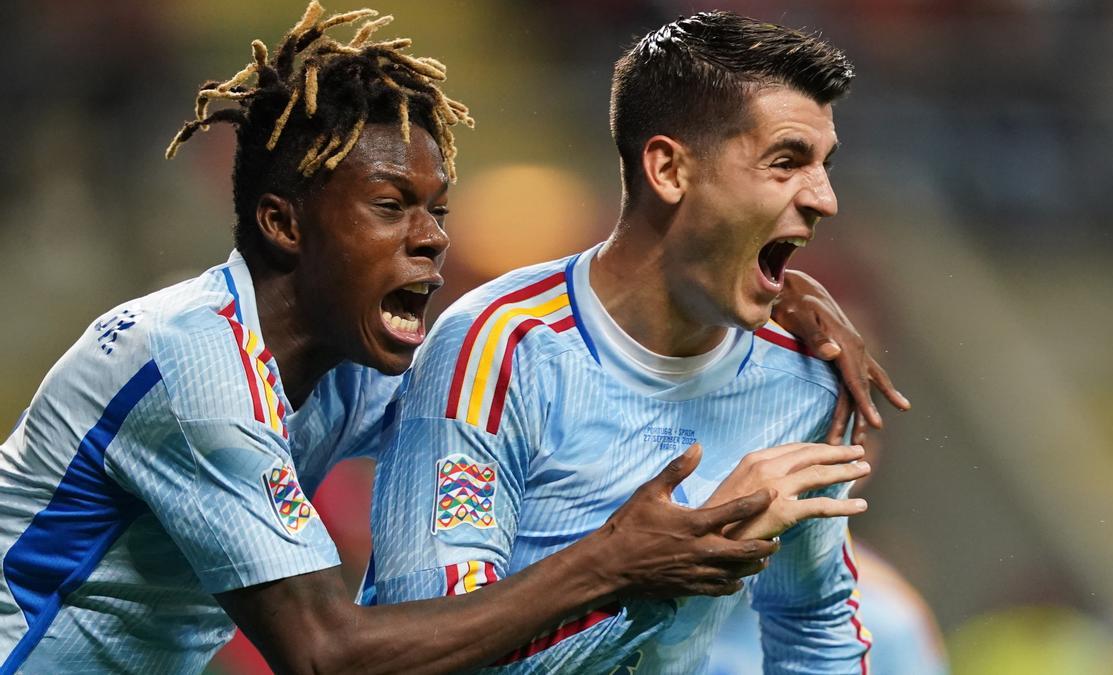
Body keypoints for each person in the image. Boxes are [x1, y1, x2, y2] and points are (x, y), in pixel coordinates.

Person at [0, 4, 901, 674]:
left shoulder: (351, 362)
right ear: (284, 223)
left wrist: (770, 292)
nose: (431, 238)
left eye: (437, 210)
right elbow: (327, 654)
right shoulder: (190, 363)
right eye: (392, 208)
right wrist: (616, 563)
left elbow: (542, 356)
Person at [368, 11, 902, 673]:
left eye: (824, 165)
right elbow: (422, 653)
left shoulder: (801, 378)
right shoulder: (497, 349)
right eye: (786, 161)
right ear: (670, 169)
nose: (825, 198)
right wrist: (646, 576)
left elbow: (811, 622)